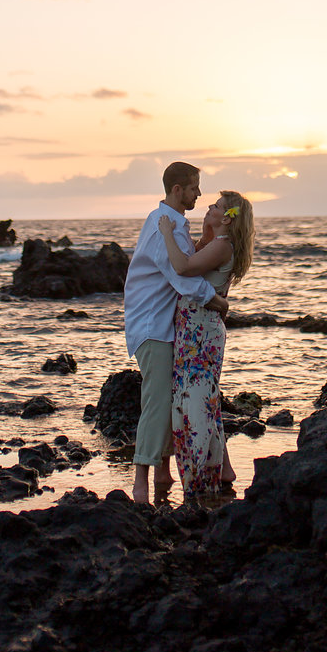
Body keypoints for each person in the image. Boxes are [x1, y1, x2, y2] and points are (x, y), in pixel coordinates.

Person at [123, 162, 229, 504]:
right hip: (152, 326)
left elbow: (187, 260)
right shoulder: (163, 225)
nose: (199, 193)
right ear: (178, 189)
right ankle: (141, 480)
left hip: (164, 326)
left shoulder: (175, 224)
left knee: (169, 399)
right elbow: (181, 276)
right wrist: (216, 301)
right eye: (195, 186)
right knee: (156, 402)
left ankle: (163, 471)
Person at [159, 189, 254, 498]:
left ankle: (201, 477)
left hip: (200, 332)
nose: (209, 206)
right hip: (196, 330)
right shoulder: (218, 243)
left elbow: (183, 267)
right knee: (200, 400)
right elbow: (196, 257)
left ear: (228, 217)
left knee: (197, 403)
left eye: (216, 206)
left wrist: (166, 234)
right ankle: (218, 471)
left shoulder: (224, 246)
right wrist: (206, 230)